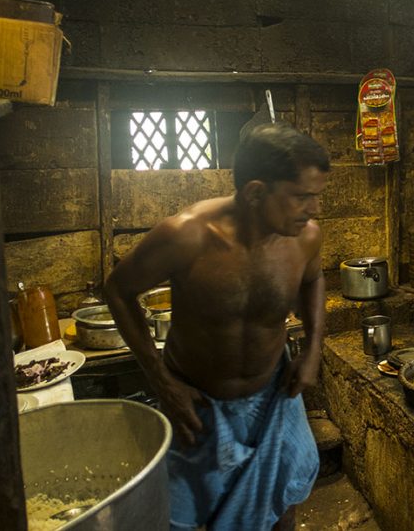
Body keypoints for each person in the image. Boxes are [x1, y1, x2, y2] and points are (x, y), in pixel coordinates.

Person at [104, 123, 331, 531]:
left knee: (281, 507)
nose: (313, 208)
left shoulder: (305, 238)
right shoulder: (186, 236)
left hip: (275, 397)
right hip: (197, 406)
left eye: (317, 196)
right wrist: (161, 381)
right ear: (255, 192)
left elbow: (314, 279)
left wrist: (312, 350)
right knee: (181, 518)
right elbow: (118, 291)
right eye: (302, 196)